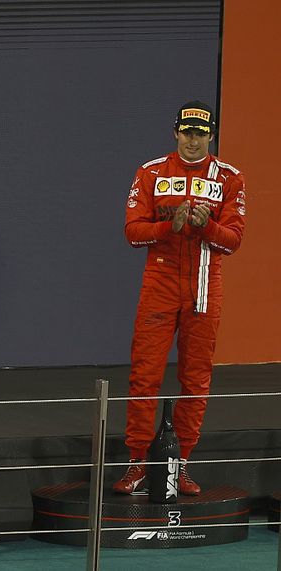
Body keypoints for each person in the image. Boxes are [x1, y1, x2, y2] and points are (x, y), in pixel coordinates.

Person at [114, 101, 246, 496]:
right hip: (160, 282)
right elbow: (132, 232)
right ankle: (137, 463)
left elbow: (235, 240)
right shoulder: (151, 172)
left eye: (200, 133)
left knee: (196, 379)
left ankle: (181, 465)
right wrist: (169, 226)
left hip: (205, 287)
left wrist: (208, 228)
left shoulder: (230, 177)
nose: (192, 139)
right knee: (144, 376)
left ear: (211, 135)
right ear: (175, 132)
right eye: (186, 131)